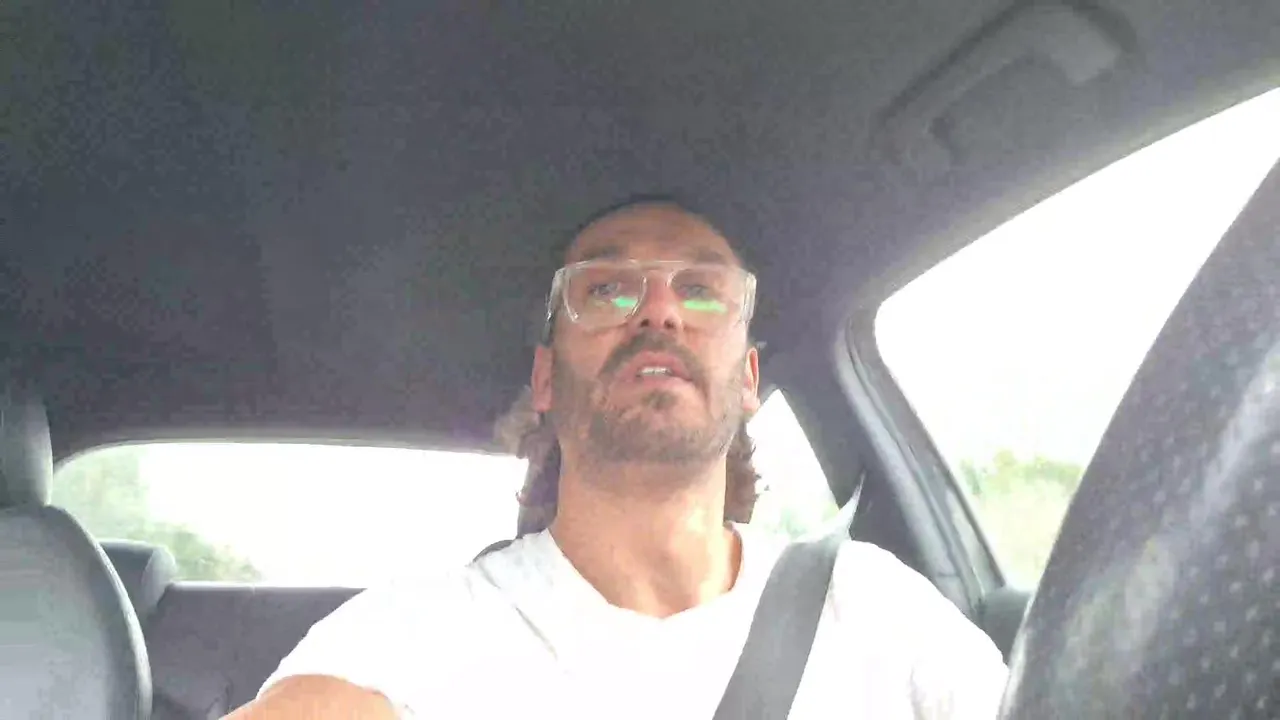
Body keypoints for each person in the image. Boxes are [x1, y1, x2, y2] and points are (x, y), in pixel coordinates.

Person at [227, 198, 1009, 719]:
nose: (658, 309)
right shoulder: (413, 633)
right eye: (605, 290)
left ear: (747, 381)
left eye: (701, 289)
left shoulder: (874, 607)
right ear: (544, 379)